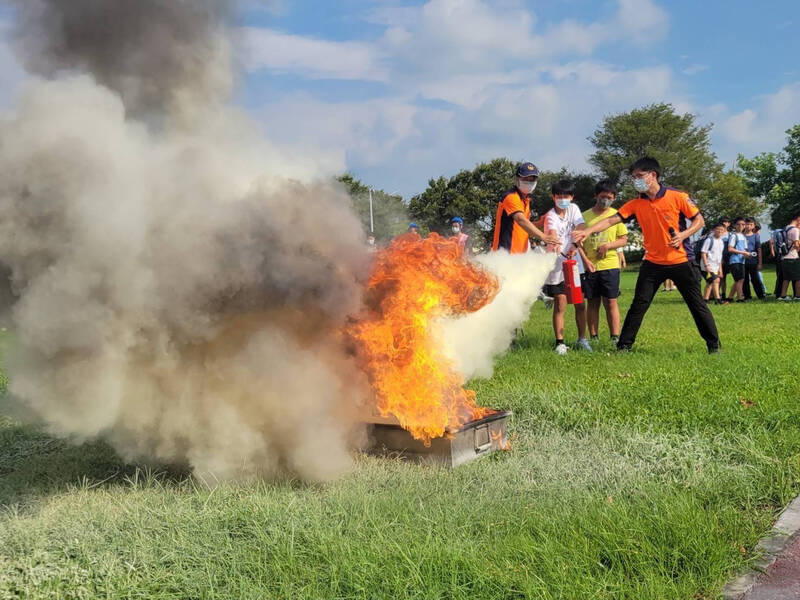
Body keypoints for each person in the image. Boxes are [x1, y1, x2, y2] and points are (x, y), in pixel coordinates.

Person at [572, 157, 721, 353]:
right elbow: (611, 221)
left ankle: (714, 346)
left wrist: (683, 235)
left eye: (639, 176)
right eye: (633, 177)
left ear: (653, 175)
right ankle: (624, 346)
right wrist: (587, 231)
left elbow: (699, 221)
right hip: (653, 263)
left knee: (697, 305)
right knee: (639, 304)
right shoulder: (636, 204)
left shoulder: (678, 196)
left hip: (681, 261)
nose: (636, 180)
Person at [542, 179, 591, 355]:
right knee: (560, 304)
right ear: (553, 197)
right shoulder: (550, 216)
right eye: (559, 196)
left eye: (566, 196)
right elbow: (553, 232)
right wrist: (555, 243)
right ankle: (560, 342)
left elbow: (581, 225)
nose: (562, 199)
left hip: (574, 263)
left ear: (571, 197)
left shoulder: (574, 209)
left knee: (580, 303)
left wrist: (575, 244)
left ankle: (582, 339)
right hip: (557, 266)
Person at [581, 179, 628, 343]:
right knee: (592, 302)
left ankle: (615, 337)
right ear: (596, 196)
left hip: (610, 265)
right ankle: (594, 337)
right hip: (591, 266)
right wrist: (585, 260)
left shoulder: (616, 215)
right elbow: (578, 242)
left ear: (614, 198)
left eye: (609, 197)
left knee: (611, 301)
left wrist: (608, 246)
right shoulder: (584, 216)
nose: (605, 200)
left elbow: (623, 240)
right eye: (602, 196)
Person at [491, 162, 559, 253]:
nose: (529, 182)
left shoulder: (525, 200)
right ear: (517, 179)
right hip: (506, 254)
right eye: (526, 179)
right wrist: (543, 237)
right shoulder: (511, 197)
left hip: (520, 254)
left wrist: (539, 223)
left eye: (532, 180)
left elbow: (522, 226)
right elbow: (521, 220)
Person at [725, 217, 750, 303]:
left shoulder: (743, 236)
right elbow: (730, 249)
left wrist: (747, 254)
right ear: (735, 225)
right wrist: (743, 253)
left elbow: (745, 250)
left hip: (741, 261)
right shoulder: (734, 236)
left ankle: (730, 297)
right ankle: (740, 298)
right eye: (738, 224)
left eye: (743, 224)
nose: (741, 226)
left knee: (738, 280)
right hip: (735, 261)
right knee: (740, 280)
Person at [700, 223, 726, 304]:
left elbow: (719, 257)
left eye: (722, 230)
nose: (720, 231)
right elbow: (703, 253)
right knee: (716, 280)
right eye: (718, 229)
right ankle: (718, 299)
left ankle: (705, 300)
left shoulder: (721, 242)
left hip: (716, 266)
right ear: (713, 230)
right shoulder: (709, 240)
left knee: (710, 282)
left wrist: (720, 269)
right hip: (708, 265)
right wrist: (706, 265)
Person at [778, 210, 800, 301]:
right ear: (798, 218)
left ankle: (783, 296)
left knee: (786, 278)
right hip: (792, 257)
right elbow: (796, 244)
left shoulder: (785, 228)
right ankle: (798, 296)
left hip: (784, 257)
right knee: (798, 278)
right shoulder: (795, 230)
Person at [742, 217, 765, 300]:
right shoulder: (740, 236)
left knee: (755, 279)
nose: (748, 226)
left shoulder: (756, 236)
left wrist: (760, 263)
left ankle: (761, 295)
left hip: (753, 261)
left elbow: (759, 249)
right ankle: (747, 296)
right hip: (742, 261)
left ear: (754, 226)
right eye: (746, 224)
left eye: (750, 224)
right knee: (745, 280)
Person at [718, 216, 732, 297]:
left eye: (726, 222)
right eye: (723, 221)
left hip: (726, 259)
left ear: (729, 224)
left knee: (723, 277)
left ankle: (723, 294)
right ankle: (715, 294)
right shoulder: (716, 234)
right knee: (716, 278)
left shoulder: (730, 235)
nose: (724, 223)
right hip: (717, 258)